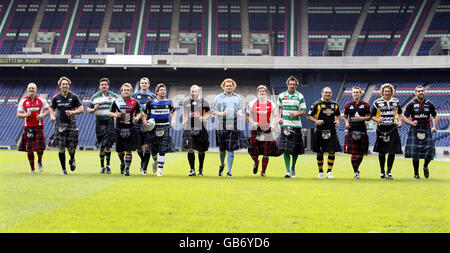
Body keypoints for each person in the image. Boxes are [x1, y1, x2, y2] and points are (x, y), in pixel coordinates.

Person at [212, 78, 248, 178]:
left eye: (230, 86)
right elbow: (213, 111)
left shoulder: (238, 98)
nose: (229, 87)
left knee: (231, 148)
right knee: (222, 149)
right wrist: (222, 113)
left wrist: (240, 112)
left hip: (233, 123)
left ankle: (229, 171)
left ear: (233, 87)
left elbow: (241, 109)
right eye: (227, 85)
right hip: (221, 124)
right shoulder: (218, 97)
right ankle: (222, 164)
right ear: (223, 86)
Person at [49, 76, 84, 175]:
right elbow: (52, 108)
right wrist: (52, 116)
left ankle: (72, 158)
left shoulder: (74, 97)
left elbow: (81, 109)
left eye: (66, 84)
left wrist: (73, 112)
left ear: (69, 85)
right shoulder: (56, 98)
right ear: (60, 85)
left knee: (71, 148)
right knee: (61, 147)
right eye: (63, 84)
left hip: (71, 124)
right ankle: (64, 169)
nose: (65, 85)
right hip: (59, 124)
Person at [403, 85, 438, 180]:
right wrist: (411, 122)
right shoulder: (411, 104)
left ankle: (425, 166)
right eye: (418, 91)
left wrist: (434, 127)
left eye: (422, 91)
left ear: (424, 92)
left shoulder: (429, 104)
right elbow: (404, 117)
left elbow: (435, 116)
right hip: (415, 130)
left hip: (426, 130)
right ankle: (416, 174)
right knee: (415, 154)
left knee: (431, 152)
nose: (421, 92)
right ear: (416, 93)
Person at [246, 85, 281, 177]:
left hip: (267, 129)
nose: (262, 93)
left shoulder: (271, 104)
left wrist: (273, 125)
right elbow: (247, 116)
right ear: (257, 93)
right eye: (260, 91)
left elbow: (276, 116)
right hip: (255, 129)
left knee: (266, 151)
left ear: (266, 93)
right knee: (253, 151)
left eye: (264, 91)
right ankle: (256, 162)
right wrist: (253, 122)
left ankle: (263, 172)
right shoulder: (251, 103)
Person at [276, 76, 307, 178]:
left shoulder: (300, 96)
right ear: (287, 84)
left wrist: (296, 114)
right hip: (285, 125)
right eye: (290, 84)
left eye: (294, 84)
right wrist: (279, 119)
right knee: (285, 149)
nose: (292, 86)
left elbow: (303, 111)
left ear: (296, 85)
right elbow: (279, 109)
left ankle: (293, 167)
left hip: (296, 126)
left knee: (295, 150)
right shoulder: (281, 95)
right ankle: (288, 170)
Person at [307, 87, 342, 179]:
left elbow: (338, 114)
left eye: (329, 92)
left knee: (332, 151)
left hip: (331, 131)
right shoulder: (316, 104)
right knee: (320, 152)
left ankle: (329, 171)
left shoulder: (335, 104)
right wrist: (316, 121)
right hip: (320, 131)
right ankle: (320, 171)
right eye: (326, 92)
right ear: (322, 93)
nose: (328, 94)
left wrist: (337, 120)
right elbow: (309, 116)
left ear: (331, 93)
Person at [110, 83, 143, 176]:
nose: (126, 91)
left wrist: (137, 117)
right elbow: (110, 113)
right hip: (119, 128)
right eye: (124, 90)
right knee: (120, 151)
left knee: (129, 150)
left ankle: (127, 169)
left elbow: (140, 112)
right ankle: (122, 162)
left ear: (131, 92)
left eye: (128, 90)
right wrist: (116, 115)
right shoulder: (116, 102)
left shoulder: (135, 102)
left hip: (130, 128)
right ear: (121, 91)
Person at [371, 83, 403, 180]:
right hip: (381, 129)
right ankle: (382, 172)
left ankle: (389, 172)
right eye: (385, 91)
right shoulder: (376, 103)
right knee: (382, 152)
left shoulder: (396, 102)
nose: (387, 93)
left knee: (392, 151)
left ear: (391, 92)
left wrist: (400, 121)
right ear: (382, 92)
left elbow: (400, 113)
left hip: (392, 128)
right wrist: (377, 120)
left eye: (389, 91)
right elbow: (371, 116)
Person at [143, 83, 176, 177]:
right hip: (153, 127)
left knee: (162, 149)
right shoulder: (150, 102)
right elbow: (144, 114)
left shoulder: (169, 102)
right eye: (161, 90)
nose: (163, 91)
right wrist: (145, 122)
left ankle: (160, 170)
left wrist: (173, 120)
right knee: (153, 150)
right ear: (157, 91)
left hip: (165, 126)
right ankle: (155, 161)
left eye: (164, 90)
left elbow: (173, 112)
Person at [17, 83, 50, 173]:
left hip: (39, 126)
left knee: (40, 147)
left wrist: (42, 115)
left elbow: (48, 110)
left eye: (33, 88)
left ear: (36, 90)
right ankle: (32, 169)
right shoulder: (23, 101)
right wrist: (25, 115)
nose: (31, 89)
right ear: (27, 89)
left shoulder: (41, 100)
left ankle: (39, 160)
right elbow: (18, 114)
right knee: (29, 149)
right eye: (29, 88)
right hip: (28, 127)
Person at [87, 78, 118, 174]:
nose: (104, 86)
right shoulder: (95, 97)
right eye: (102, 84)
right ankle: (102, 166)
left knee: (108, 145)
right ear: (99, 86)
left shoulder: (114, 96)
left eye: (105, 84)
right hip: (99, 123)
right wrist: (94, 109)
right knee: (101, 146)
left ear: (108, 86)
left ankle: (108, 166)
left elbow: (120, 107)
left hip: (110, 122)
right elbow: (88, 110)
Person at [182, 85, 212, 176]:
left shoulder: (204, 102)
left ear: (198, 92)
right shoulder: (186, 102)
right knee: (190, 149)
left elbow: (209, 113)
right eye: (192, 91)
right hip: (189, 128)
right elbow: (185, 112)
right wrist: (184, 120)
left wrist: (204, 118)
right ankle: (192, 170)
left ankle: (200, 169)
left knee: (201, 150)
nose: (193, 93)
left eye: (195, 91)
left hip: (201, 129)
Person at [342, 86, 371, 179]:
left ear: (360, 93)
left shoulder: (365, 104)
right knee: (354, 153)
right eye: (354, 92)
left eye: (357, 92)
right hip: (352, 130)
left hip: (362, 130)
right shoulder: (347, 105)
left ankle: (357, 168)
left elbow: (369, 117)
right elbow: (345, 117)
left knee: (361, 153)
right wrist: (346, 123)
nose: (355, 94)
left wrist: (361, 118)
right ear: (352, 94)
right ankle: (355, 172)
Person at [131, 77, 156, 175]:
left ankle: (144, 168)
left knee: (147, 146)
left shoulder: (153, 96)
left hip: (148, 124)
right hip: (137, 124)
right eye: (142, 83)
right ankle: (143, 160)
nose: (144, 84)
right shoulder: (135, 95)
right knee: (138, 147)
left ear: (149, 84)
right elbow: (131, 108)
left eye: (146, 83)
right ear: (140, 84)